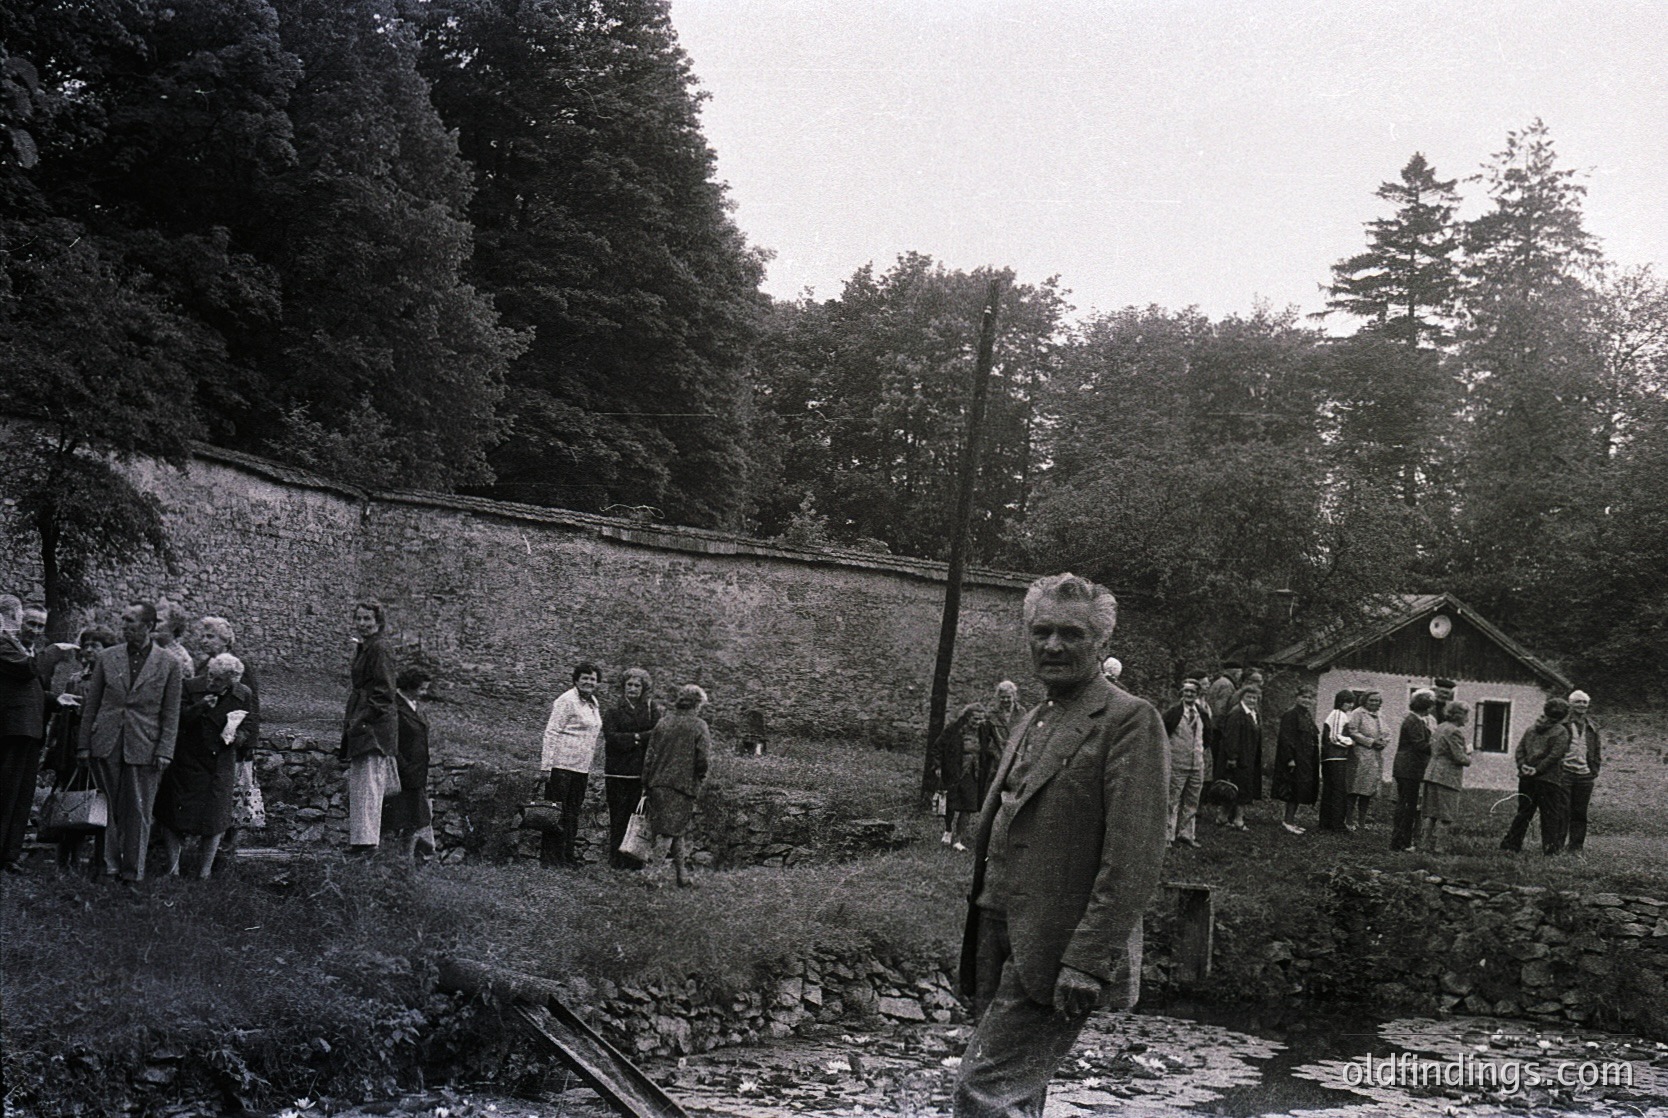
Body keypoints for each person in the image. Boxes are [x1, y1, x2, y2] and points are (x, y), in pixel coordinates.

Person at [954, 573, 1168, 1117]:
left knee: (983, 1093)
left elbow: (1134, 856)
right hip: (994, 929)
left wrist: (1089, 961)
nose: (1052, 645)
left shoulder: (1129, 720)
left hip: (1055, 945)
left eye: (1071, 633)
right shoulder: (1032, 716)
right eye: (1042, 631)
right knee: (1016, 1095)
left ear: (1103, 644)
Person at [77, 601, 185, 883]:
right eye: (123, 620)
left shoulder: (169, 664)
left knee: (138, 810)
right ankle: (106, 868)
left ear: (148, 626)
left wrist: (165, 750)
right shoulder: (108, 657)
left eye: (131, 621)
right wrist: (84, 744)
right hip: (107, 741)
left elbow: (172, 713)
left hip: (145, 745)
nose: (124, 626)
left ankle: (132, 873)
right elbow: (93, 704)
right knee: (106, 808)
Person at [155, 652, 253, 877]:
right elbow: (175, 719)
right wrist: (200, 707)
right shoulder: (189, 687)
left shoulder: (243, 694)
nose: (211, 682)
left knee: (215, 818)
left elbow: (250, 726)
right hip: (188, 759)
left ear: (232, 681)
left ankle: (204, 872)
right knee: (173, 815)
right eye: (210, 675)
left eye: (218, 680)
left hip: (220, 762)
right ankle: (173, 869)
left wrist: (237, 737)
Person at [39, 628, 115, 873]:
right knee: (69, 800)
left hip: (97, 748)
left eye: (96, 646)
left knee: (94, 802)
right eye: (87, 645)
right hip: (70, 748)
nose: (89, 650)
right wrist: (52, 745)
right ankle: (65, 859)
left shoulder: (111, 681)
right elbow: (62, 717)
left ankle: (96, 860)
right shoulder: (75, 678)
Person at [197, 616, 260, 864]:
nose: (204, 640)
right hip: (204, 746)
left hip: (232, 745)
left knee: (232, 797)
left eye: (210, 636)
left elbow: (251, 709)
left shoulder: (239, 667)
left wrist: (246, 742)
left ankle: (227, 849)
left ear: (226, 640)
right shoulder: (203, 667)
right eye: (202, 636)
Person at [340, 601, 398, 856]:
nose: (362, 624)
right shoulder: (366, 647)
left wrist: (363, 718)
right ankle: (360, 840)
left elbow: (384, 693)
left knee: (370, 782)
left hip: (374, 725)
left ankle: (367, 844)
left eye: (368, 619)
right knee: (360, 781)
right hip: (362, 718)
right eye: (359, 619)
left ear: (378, 621)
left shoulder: (380, 648)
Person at [641, 683, 712, 888]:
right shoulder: (699, 726)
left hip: (657, 783)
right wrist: (700, 778)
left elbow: (650, 756)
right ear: (697, 705)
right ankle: (652, 876)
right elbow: (702, 760)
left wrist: (646, 782)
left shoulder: (663, 723)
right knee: (668, 832)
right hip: (681, 786)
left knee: (675, 829)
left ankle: (682, 876)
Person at [539, 661, 604, 867]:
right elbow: (552, 732)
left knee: (572, 813)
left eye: (593, 679)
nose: (589, 682)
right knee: (556, 812)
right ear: (576, 680)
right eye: (585, 678)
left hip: (581, 768)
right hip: (561, 766)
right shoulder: (566, 700)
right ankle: (550, 859)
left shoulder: (593, 703)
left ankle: (567, 857)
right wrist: (546, 765)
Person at [0, 596, 47, 873]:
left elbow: (31, 690)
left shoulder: (18, 647)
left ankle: (10, 854)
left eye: (41, 625)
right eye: (27, 621)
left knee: (21, 795)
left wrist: (56, 699)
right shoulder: (4, 644)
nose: (33, 630)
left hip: (28, 729)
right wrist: (52, 651)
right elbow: (26, 670)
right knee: (7, 792)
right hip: (13, 729)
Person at [601, 667, 662, 870]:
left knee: (638, 817)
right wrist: (639, 737)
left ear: (644, 688)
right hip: (617, 771)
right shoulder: (613, 710)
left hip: (641, 772)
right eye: (629, 685)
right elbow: (611, 737)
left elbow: (658, 735)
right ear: (623, 687)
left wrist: (633, 738)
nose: (633, 689)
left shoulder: (652, 709)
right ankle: (616, 861)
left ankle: (634, 860)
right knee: (618, 816)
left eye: (637, 685)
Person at [1499, 696, 1573, 856]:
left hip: (1526, 777)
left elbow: (1519, 750)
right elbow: (1555, 755)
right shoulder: (1561, 731)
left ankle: (1511, 844)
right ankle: (1550, 848)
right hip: (1549, 779)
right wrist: (1538, 770)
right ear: (1564, 715)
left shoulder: (1531, 728)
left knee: (1524, 811)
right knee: (1550, 814)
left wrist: (1523, 766)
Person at [381, 667, 435, 864]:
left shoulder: (412, 705)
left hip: (416, 774)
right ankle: (390, 859)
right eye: (421, 689)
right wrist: (404, 768)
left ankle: (405, 859)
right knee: (396, 820)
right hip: (402, 775)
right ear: (408, 688)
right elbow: (392, 743)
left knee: (416, 819)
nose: (424, 693)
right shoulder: (395, 707)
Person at [934, 703, 992, 850]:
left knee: (968, 806)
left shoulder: (983, 731)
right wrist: (937, 766)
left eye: (980, 719)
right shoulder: (954, 729)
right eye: (975, 719)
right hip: (953, 771)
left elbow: (986, 749)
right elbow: (937, 747)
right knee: (950, 804)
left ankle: (958, 840)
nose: (977, 722)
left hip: (973, 773)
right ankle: (948, 830)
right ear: (967, 717)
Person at [1418, 701, 1472, 854]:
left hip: (1432, 773)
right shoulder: (1455, 731)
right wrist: (1468, 755)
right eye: (1466, 714)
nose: (1467, 718)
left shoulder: (1440, 727)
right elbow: (1459, 757)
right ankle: (1440, 848)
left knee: (1430, 813)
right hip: (1447, 777)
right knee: (1446, 815)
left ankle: (1424, 845)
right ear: (1458, 715)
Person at [1389, 690, 1437, 851]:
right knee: (1407, 805)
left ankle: (1400, 841)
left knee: (1406, 804)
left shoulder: (1415, 720)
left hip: (1407, 767)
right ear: (1427, 707)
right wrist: (1438, 747)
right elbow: (1420, 745)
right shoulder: (1414, 721)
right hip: (1409, 768)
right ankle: (1401, 842)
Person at [1162, 678, 1207, 847]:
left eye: (1192, 692)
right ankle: (1167, 836)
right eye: (1186, 691)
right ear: (1181, 693)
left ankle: (1186, 834)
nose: (1189, 694)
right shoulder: (1173, 713)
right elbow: (1162, 735)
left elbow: (1207, 736)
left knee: (1192, 801)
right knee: (1171, 800)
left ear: (1197, 694)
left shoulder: (1202, 713)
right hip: (1177, 764)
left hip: (1197, 765)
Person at [1213, 682, 1262, 830]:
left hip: (1249, 756)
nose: (1252, 700)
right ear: (1242, 697)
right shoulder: (1237, 713)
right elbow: (1231, 737)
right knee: (1238, 788)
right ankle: (1238, 820)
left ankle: (1222, 817)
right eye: (1249, 697)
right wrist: (1232, 757)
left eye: (1255, 698)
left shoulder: (1254, 714)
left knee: (1237, 788)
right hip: (1238, 758)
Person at [1273, 686, 1320, 834]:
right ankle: (1287, 821)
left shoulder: (1306, 715)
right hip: (1296, 758)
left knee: (1300, 789)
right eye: (1304, 697)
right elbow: (1286, 738)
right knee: (1293, 789)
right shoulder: (1291, 715)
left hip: (1306, 759)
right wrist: (1289, 758)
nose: (1307, 700)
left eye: (1310, 698)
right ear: (1297, 697)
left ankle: (1292, 820)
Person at [1343, 690, 1388, 830]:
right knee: (1355, 787)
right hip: (1360, 754)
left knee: (1368, 790)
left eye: (1377, 701)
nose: (1374, 703)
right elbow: (1353, 731)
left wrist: (1384, 741)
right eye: (1371, 700)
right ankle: (1349, 820)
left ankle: (1362, 821)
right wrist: (1370, 741)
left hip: (1375, 755)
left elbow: (1387, 732)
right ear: (1364, 701)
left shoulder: (1380, 715)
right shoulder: (1357, 713)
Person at [1564, 690, 1602, 853]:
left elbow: (1597, 750)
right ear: (1570, 704)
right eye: (1578, 702)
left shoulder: (1592, 726)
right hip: (1564, 772)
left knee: (1580, 812)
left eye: (1584, 703)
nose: (1581, 705)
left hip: (1585, 774)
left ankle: (1576, 846)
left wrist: (1594, 770)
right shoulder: (1562, 724)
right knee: (1562, 811)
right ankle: (1556, 844)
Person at [1317, 690, 1356, 832]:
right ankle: (1337, 824)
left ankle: (1326, 823)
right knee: (1338, 791)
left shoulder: (1338, 714)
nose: (1350, 705)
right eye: (1347, 702)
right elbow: (1334, 737)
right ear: (1340, 702)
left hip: (1331, 757)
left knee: (1331, 790)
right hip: (1335, 757)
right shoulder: (1339, 714)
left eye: (1352, 702)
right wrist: (1351, 742)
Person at [152, 603, 196, 679]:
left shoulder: (181, 659)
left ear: (173, 626)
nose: (152, 625)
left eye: (158, 621)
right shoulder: (145, 647)